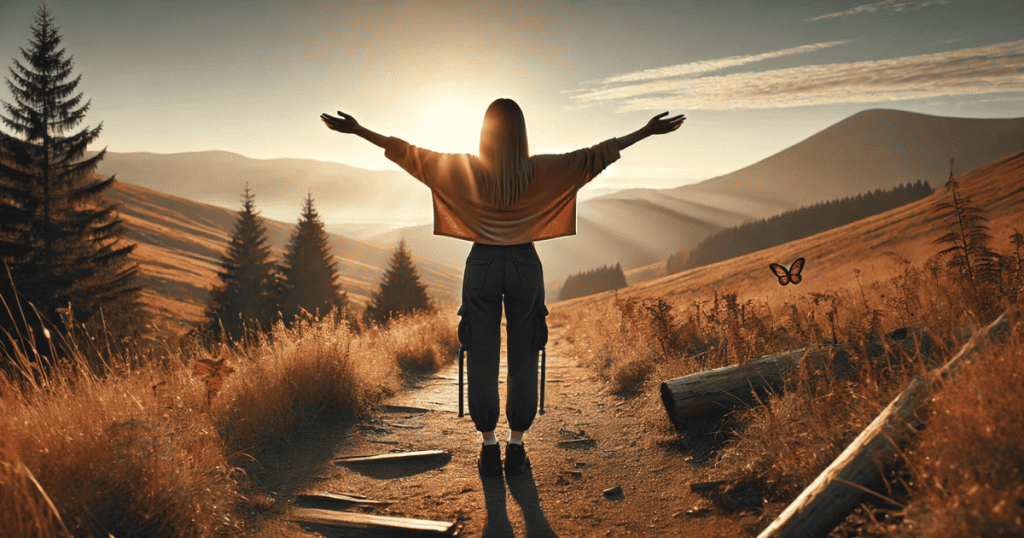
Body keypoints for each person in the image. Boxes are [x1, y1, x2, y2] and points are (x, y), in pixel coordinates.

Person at [321, 99, 684, 476]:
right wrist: (646, 130)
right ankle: (517, 445)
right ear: (522, 132)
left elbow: (409, 155)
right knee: (526, 351)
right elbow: (597, 156)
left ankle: (489, 446)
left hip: (481, 265)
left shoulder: (464, 170)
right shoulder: (546, 168)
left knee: (480, 352)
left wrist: (359, 130)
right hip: (526, 265)